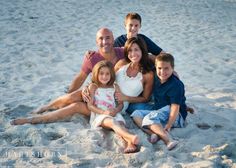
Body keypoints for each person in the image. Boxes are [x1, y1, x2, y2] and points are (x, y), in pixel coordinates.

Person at [10, 28, 125, 125]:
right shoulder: (92, 58)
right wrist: (73, 93)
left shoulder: (123, 53)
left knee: (75, 105)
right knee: (72, 98)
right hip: (95, 93)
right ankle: (45, 108)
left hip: (110, 99)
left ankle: (35, 119)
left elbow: (138, 50)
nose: (104, 41)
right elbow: (80, 77)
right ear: (96, 42)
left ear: (113, 39)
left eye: (108, 38)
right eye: (101, 38)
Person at [131, 53, 188, 150]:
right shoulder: (157, 77)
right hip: (160, 110)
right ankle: (153, 133)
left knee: (149, 118)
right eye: (160, 68)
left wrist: (169, 124)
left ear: (172, 68)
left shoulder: (176, 85)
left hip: (176, 116)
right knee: (136, 114)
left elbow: (175, 107)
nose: (162, 72)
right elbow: (147, 56)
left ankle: (168, 140)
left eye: (166, 68)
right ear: (156, 68)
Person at [87, 60, 139, 153]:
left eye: (107, 74)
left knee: (121, 125)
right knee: (112, 122)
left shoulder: (115, 87)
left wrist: (116, 110)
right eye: (101, 73)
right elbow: (90, 105)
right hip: (100, 115)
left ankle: (130, 143)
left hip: (114, 113)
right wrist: (103, 112)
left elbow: (121, 104)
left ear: (111, 75)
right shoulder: (94, 87)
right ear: (96, 74)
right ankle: (131, 137)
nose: (104, 76)